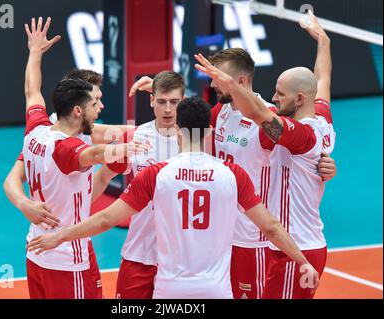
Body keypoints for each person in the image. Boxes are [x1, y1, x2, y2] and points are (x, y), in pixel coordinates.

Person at [27, 96, 319, 299]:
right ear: (209, 131)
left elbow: (106, 219)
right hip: (216, 289)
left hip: (171, 291)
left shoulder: (157, 174)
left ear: (177, 131)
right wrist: (302, 260)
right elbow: (270, 227)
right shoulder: (233, 174)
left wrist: (59, 236)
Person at [128, 17, 336, 298]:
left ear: (238, 81)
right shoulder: (223, 111)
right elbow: (322, 83)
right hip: (223, 235)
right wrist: (160, 90)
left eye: (217, 79)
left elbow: (277, 124)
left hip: (257, 240)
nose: (212, 84)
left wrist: (321, 165)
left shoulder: (268, 122)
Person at [194, 10, 335, 299]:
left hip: (291, 245)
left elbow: (259, 112)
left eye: (280, 94)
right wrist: (323, 41)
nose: (274, 98)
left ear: (298, 99)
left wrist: (230, 83)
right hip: (282, 242)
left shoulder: (300, 134)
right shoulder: (321, 116)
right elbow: (323, 80)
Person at [20, 17, 147, 299]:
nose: (100, 107)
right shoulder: (66, 149)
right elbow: (94, 153)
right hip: (67, 260)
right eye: (94, 103)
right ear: (77, 111)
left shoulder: (36, 128)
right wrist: (129, 147)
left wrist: (35, 52)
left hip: (37, 253)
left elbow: (32, 90)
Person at [106, 71, 184, 299]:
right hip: (138, 254)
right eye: (161, 101)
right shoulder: (135, 137)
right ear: (151, 100)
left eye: (174, 102)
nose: (168, 109)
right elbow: (103, 177)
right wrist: (77, 213)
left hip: (178, 261)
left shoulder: (196, 140)